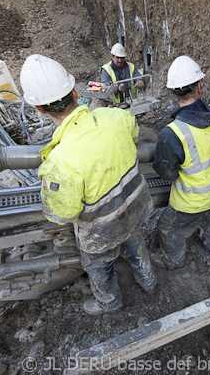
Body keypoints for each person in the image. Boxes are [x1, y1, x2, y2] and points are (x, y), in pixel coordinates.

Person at [20, 54, 156, 315]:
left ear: (39, 109)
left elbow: (63, 214)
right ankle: (149, 282)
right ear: (74, 91)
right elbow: (135, 133)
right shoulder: (114, 117)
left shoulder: (58, 163)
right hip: (136, 208)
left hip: (101, 232)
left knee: (99, 266)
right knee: (137, 246)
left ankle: (110, 302)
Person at [151, 56, 210, 269]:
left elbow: (168, 174)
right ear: (199, 86)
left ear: (174, 93)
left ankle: (174, 261)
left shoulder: (171, 134)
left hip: (191, 204)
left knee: (168, 227)